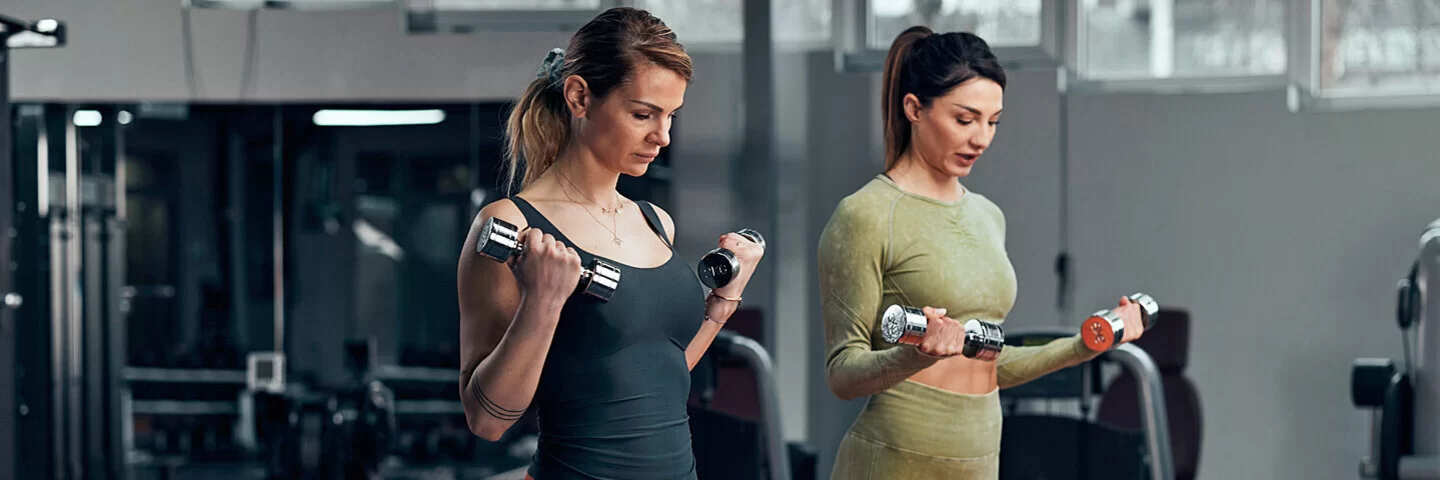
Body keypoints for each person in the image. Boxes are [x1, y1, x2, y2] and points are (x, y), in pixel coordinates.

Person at [816, 26, 1146, 479]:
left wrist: (1085, 344)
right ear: (914, 108)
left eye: (993, 122)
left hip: (979, 454)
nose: (981, 139)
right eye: (965, 119)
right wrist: (919, 353)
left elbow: (991, 360)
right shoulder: (865, 215)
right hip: (893, 456)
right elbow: (843, 374)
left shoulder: (988, 216)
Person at [455, 8, 764, 480]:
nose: (661, 136)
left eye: (671, 117)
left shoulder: (656, 222)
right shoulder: (510, 225)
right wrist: (542, 302)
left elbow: (659, 378)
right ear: (580, 96)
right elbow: (487, 421)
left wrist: (720, 307)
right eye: (643, 114)